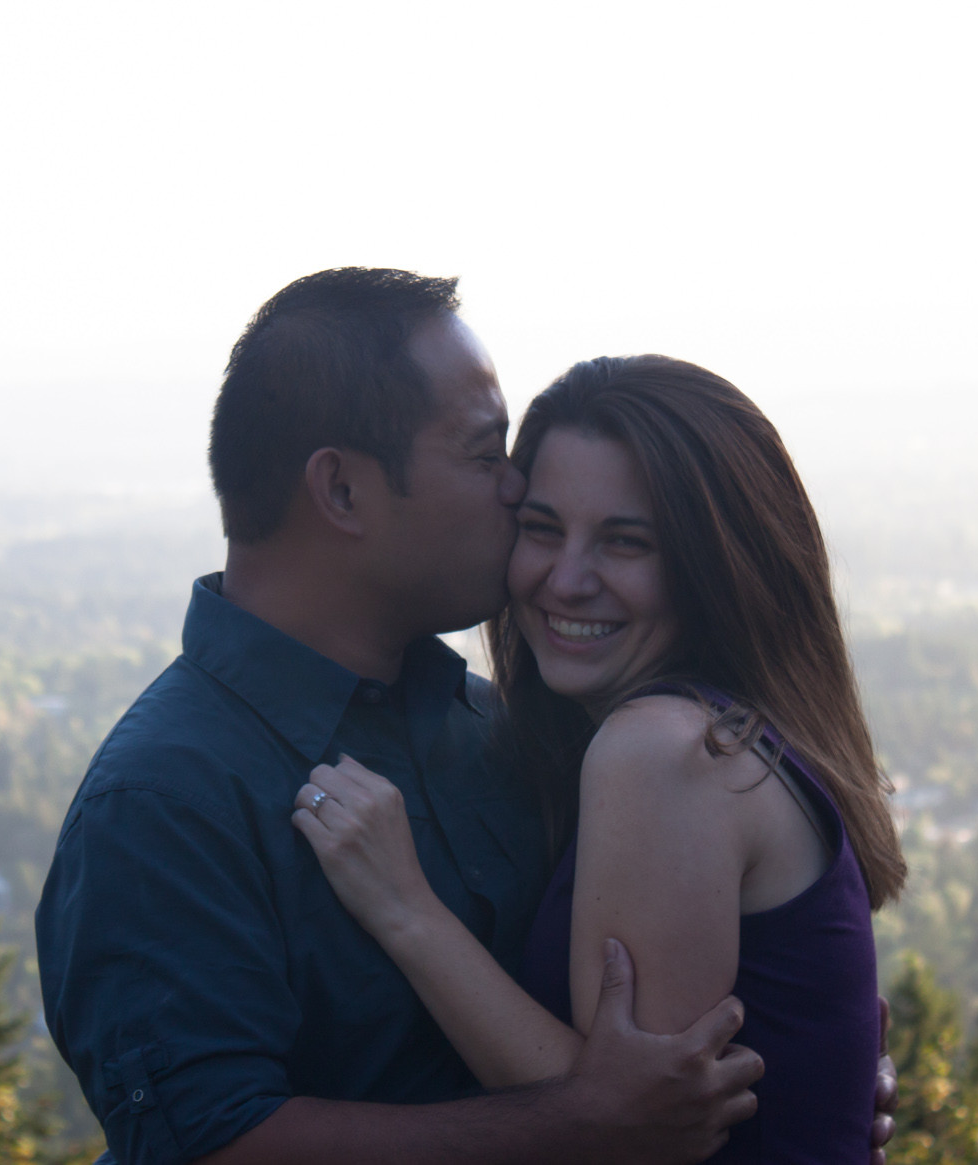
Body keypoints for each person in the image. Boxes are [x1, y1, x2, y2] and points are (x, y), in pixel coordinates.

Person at [36, 270, 894, 1165]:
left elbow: (699, 1006)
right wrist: (580, 1122)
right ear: (342, 491)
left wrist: (813, 1074)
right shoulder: (165, 798)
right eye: (487, 454)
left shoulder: (507, 734)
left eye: (623, 537)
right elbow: (208, 1145)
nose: (516, 485)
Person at [292, 354, 905, 1164]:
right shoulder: (724, 733)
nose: (567, 578)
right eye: (542, 528)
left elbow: (626, 1125)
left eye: (625, 541)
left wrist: (407, 910)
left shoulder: (666, 750)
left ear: (715, 565)